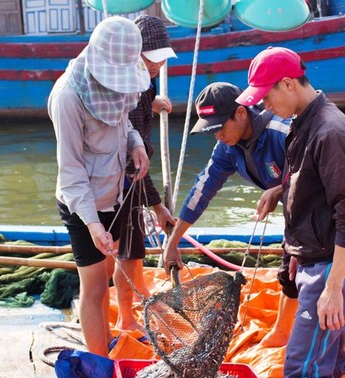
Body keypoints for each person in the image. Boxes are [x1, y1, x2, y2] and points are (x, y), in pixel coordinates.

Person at [237, 46, 345, 377]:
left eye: (266, 97)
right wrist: (280, 191)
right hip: (315, 256)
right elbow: (312, 182)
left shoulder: (330, 132)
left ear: (287, 84)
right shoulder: (302, 121)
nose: (265, 107)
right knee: (328, 358)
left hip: (330, 266)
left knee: (301, 367)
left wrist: (333, 288)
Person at [161, 81, 298, 346]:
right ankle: (284, 329)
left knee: (301, 263)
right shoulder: (227, 146)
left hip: (321, 202)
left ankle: (288, 332)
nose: (218, 136)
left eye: (220, 128)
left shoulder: (282, 131)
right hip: (294, 203)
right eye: (212, 132)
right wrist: (173, 241)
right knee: (290, 262)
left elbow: (317, 170)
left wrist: (279, 191)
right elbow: (203, 188)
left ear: (241, 113)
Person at [48, 16, 150, 357]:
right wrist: (92, 223)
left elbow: (124, 123)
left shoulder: (120, 86)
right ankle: (98, 364)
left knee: (108, 272)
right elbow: (71, 172)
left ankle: (103, 340)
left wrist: (135, 145)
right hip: (83, 203)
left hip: (115, 194)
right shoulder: (68, 97)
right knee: (93, 288)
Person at [113, 15, 177, 335]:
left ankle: (139, 295)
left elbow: (143, 99)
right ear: (135, 53)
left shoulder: (145, 82)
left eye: (161, 57)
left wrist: (155, 100)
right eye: (152, 58)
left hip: (135, 172)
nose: (158, 64)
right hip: (122, 178)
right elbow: (135, 166)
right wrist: (158, 206)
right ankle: (126, 318)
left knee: (133, 244)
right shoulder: (126, 86)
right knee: (129, 250)